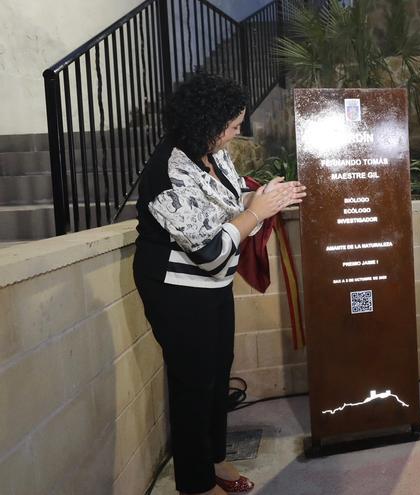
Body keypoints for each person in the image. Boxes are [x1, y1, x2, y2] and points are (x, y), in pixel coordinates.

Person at [133, 73, 306, 495]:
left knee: (218, 369)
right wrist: (256, 213)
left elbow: (230, 203)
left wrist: (263, 198)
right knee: (193, 381)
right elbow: (209, 253)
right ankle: (194, 483)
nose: (237, 132)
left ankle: (214, 457)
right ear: (205, 122)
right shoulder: (167, 172)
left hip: (211, 287)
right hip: (175, 288)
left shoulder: (211, 152)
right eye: (232, 125)